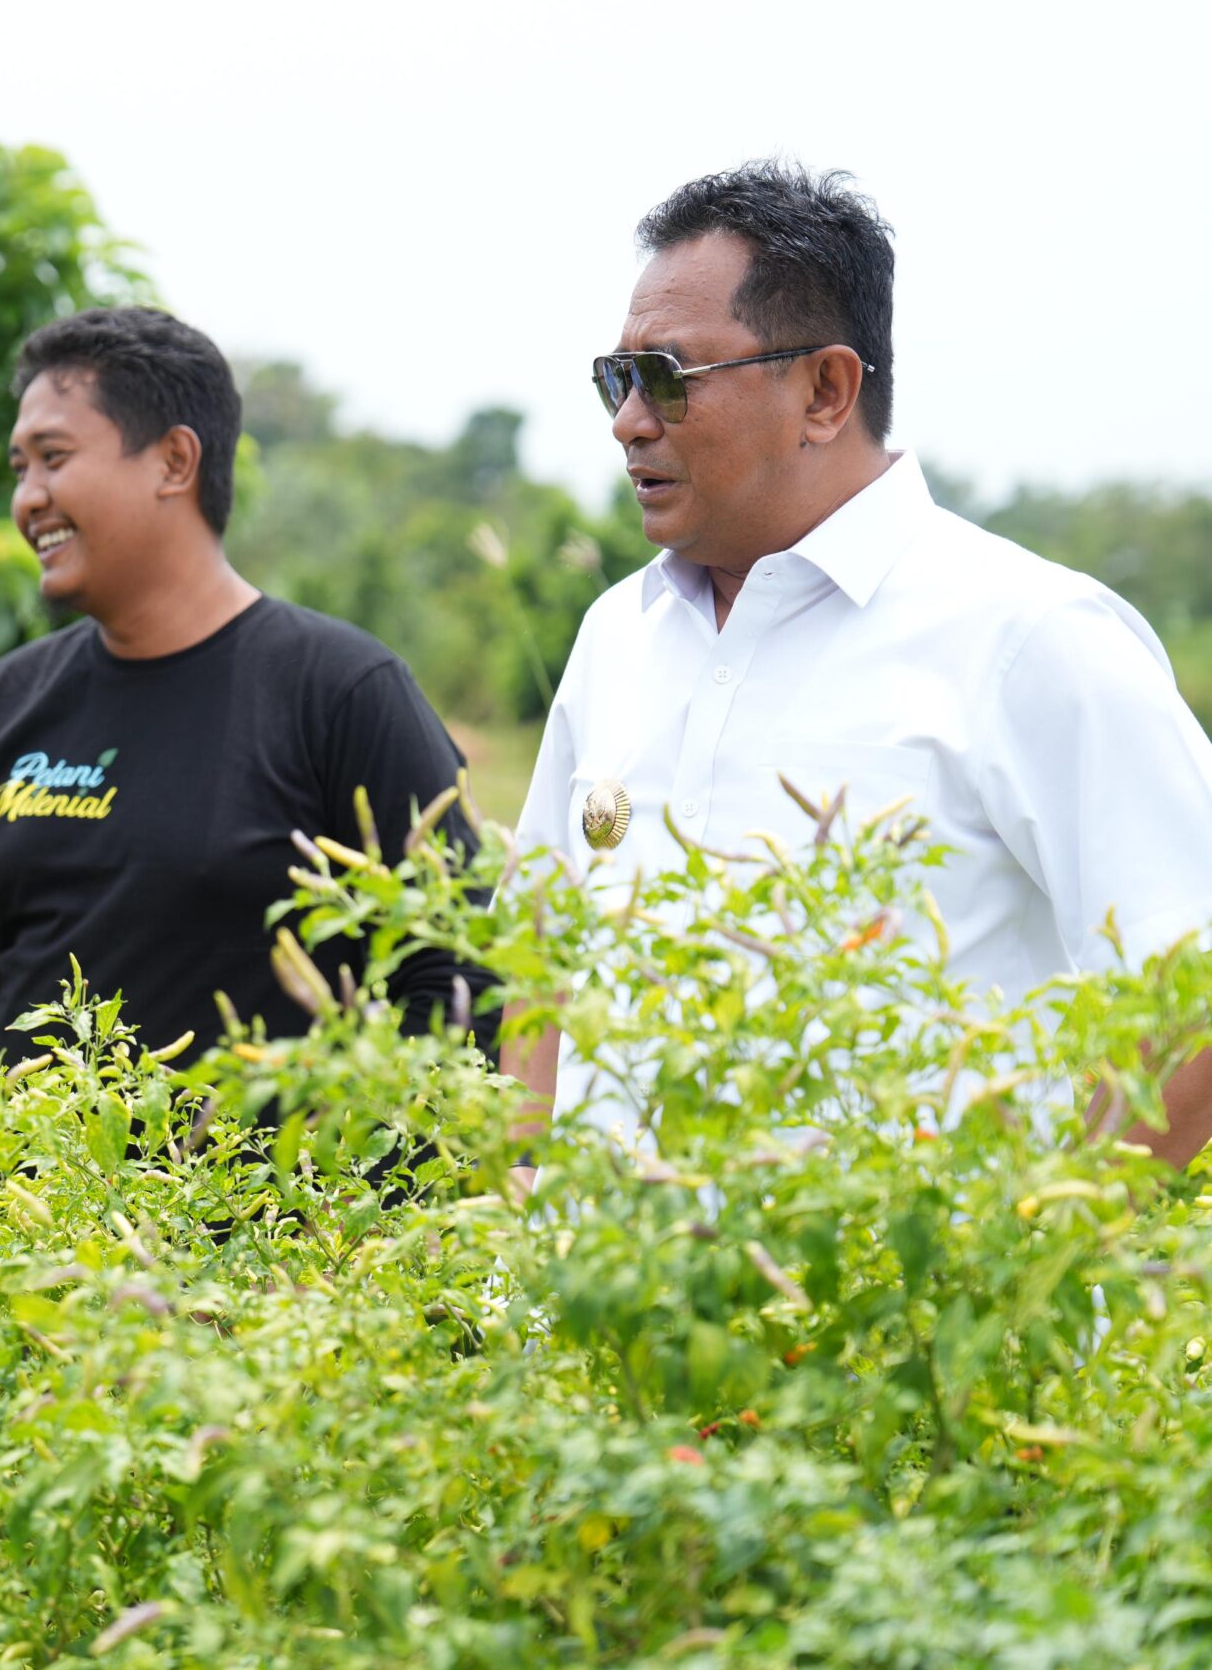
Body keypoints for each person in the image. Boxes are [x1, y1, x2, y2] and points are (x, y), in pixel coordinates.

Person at [510, 160, 1212, 1162]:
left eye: (665, 377)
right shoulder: (616, 637)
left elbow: (1190, 994)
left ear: (825, 391)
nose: (628, 421)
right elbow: (541, 961)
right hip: (597, 1269)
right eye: (615, 380)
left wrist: (1047, 1236)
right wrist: (519, 1214)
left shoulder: (1029, 639)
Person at [0, 307, 494, 1074]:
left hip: (261, 1157)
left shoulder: (344, 693)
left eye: (53, 458)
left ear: (174, 461)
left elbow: (457, 975)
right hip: (19, 1160)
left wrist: (352, 1142)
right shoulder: (6, 702)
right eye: (21, 469)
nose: (28, 498)